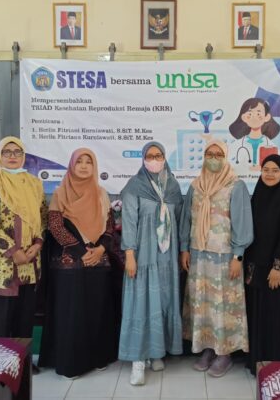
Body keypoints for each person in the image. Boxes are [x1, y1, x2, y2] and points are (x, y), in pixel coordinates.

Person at [38, 148, 118, 378]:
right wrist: (81, 252)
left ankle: (98, 357)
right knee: (72, 313)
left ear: (94, 167)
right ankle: (71, 364)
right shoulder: (60, 192)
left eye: (88, 162)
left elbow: (109, 226)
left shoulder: (101, 194)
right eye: (79, 161)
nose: (84, 166)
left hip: (98, 263)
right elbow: (55, 226)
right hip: (70, 265)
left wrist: (100, 249)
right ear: (72, 165)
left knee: (96, 311)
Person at [180, 140, 253, 378]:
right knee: (203, 303)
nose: (213, 158)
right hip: (199, 255)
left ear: (225, 157)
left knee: (224, 305)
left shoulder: (236, 185)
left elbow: (242, 223)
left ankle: (225, 353)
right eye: (209, 154)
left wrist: (238, 255)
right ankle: (208, 348)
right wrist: (184, 249)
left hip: (225, 256)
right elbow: (187, 220)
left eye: (218, 154)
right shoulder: (196, 185)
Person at [119, 142, 184, 386]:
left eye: (158, 155)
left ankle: (156, 351)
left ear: (164, 158)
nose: (154, 159)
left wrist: (182, 250)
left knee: (162, 302)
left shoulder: (173, 187)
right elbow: (129, 221)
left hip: (167, 258)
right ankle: (138, 359)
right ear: (143, 159)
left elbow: (180, 221)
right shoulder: (134, 186)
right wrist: (129, 254)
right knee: (142, 303)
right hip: (143, 255)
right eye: (149, 156)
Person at [0, 136, 46, 339]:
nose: (12, 156)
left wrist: (38, 244)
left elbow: (43, 216)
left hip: (30, 262)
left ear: (23, 156)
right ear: (0, 156)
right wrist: (13, 251)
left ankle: (22, 358)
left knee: (24, 321)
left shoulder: (34, 184)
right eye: (7, 152)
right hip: (2, 264)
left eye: (17, 152)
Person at [244, 154, 280, 375]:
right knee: (260, 315)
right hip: (258, 269)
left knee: (277, 316)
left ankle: (277, 364)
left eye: (275, 170)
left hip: (278, 271)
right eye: (266, 170)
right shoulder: (258, 196)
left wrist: (278, 267)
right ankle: (258, 362)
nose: (269, 174)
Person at [228, 98, 280, 167]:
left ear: (267, 117)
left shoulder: (271, 146)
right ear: (244, 117)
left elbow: (279, 165)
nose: (254, 118)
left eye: (258, 114)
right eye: (250, 114)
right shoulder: (236, 145)